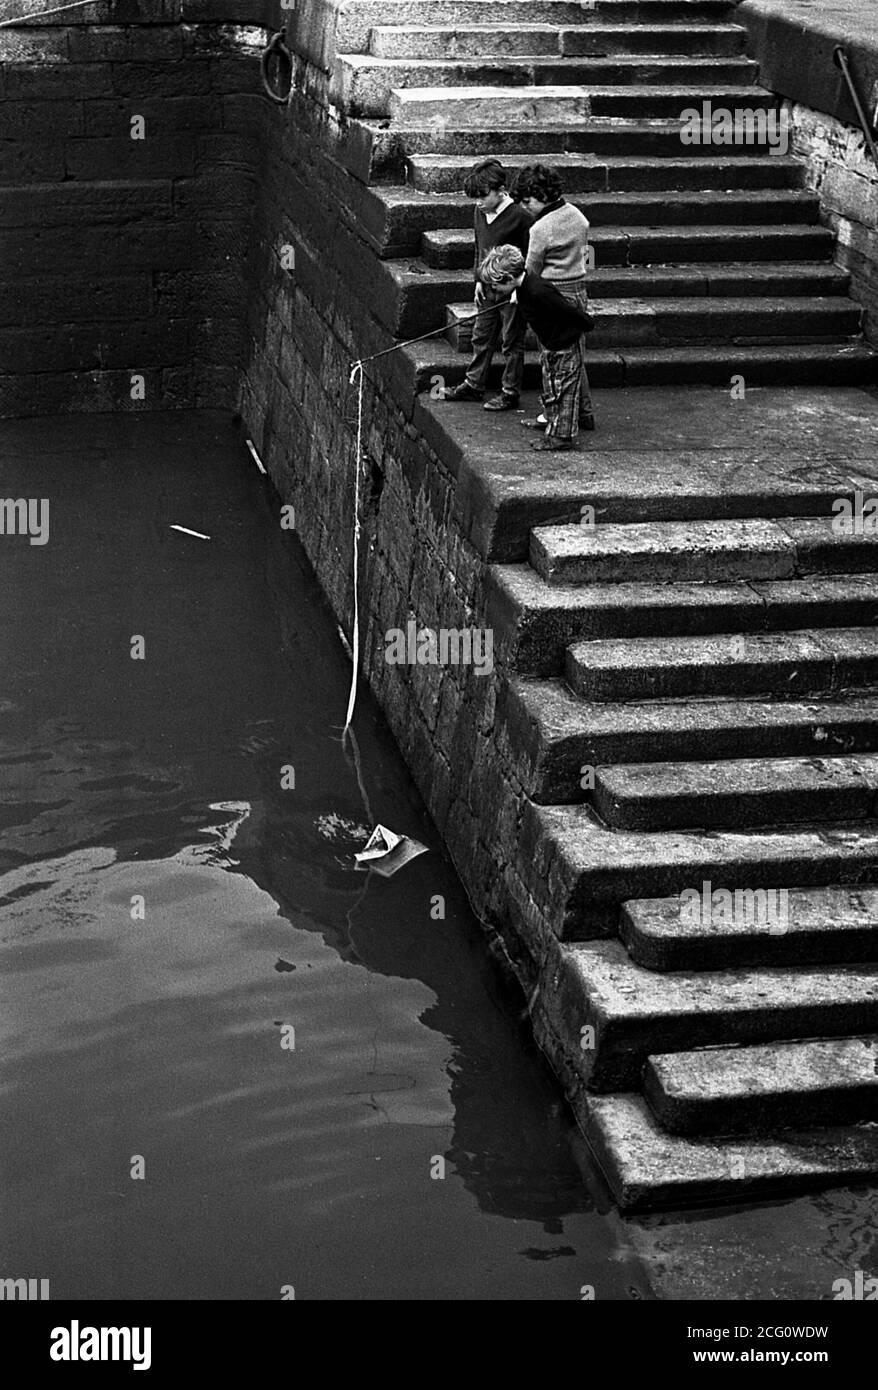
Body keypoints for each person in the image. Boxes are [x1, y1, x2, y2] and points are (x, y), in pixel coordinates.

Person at [478, 244, 594, 452]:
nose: (494, 292)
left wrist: (585, 324)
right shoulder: (523, 288)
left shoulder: (538, 290)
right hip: (550, 343)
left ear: (508, 279)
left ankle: (560, 436)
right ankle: (550, 420)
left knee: (563, 391)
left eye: (495, 286)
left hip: (564, 344)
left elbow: (567, 310)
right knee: (551, 384)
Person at [509, 163, 595, 432]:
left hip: (551, 295)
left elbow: (531, 270)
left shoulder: (540, 229)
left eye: (527, 201)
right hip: (578, 290)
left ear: (542, 195)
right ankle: (584, 413)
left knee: (553, 362)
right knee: (575, 359)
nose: (525, 207)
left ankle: (554, 417)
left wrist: (517, 294)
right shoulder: (579, 217)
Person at [441, 159, 532, 411]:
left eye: (482, 196)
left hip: (511, 290)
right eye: (474, 197)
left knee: (512, 342)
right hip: (488, 287)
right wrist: (478, 280)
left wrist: (520, 288)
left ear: (500, 190)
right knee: (481, 336)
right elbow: (478, 246)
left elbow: (531, 256)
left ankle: (510, 392)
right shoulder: (479, 211)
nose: (478, 202)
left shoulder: (521, 217)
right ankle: (473, 384)